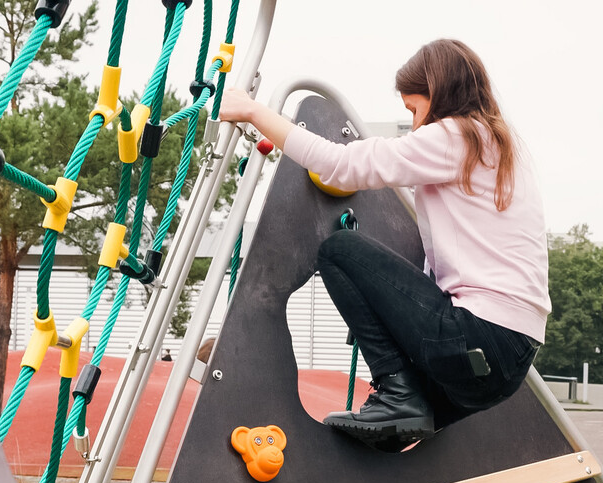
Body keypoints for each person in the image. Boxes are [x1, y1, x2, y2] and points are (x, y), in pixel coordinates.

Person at [218, 39, 550, 451]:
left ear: (439, 93)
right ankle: (399, 402)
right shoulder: (498, 148)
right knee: (394, 435)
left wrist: (254, 112)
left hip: (478, 334)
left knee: (340, 252)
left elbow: (342, 165)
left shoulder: (455, 136)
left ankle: (395, 389)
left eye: (413, 109)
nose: (414, 125)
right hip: (508, 360)